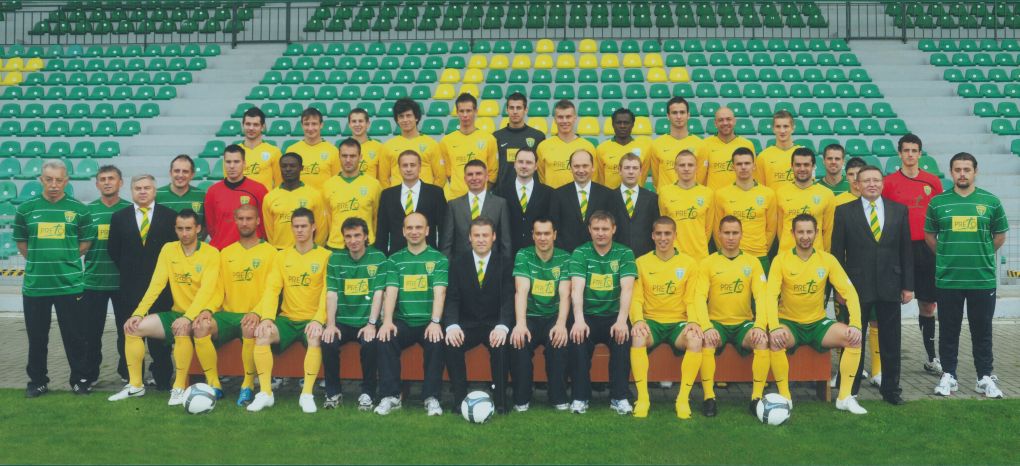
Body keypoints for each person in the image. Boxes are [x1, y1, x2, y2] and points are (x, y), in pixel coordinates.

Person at [107, 209, 222, 405]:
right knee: (132, 328)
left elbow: (206, 291)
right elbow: (156, 284)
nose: (184, 233)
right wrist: (138, 313)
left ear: (198, 229)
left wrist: (188, 317)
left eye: (188, 228)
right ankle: (135, 386)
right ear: (175, 229)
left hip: (203, 314)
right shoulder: (168, 249)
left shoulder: (211, 253)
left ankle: (178, 388)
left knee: (182, 329)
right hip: (177, 313)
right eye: (180, 229)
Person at [764, 213, 867, 414]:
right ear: (793, 233)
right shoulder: (780, 260)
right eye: (800, 232)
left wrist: (856, 324)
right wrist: (774, 327)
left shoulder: (827, 260)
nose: (805, 236)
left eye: (809, 232)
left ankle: (845, 397)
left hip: (818, 323)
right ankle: (785, 397)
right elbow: (770, 296)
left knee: (853, 338)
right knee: (776, 340)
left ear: (817, 233)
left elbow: (850, 292)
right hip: (790, 324)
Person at [925, 152, 1008, 399]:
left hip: (981, 279)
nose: (962, 174)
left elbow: (999, 236)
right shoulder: (938, 203)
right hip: (949, 279)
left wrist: (981, 254)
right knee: (948, 330)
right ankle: (949, 375)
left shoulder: (991, 201)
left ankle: (984, 377)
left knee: (982, 331)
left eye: (967, 169)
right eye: (957, 169)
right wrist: (947, 255)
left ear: (975, 171)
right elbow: (930, 235)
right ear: (951, 172)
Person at [831, 166, 913, 405]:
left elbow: (906, 250)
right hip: (856, 287)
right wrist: (839, 289)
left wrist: (908, 286)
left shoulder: (899, 210)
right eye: (866, 180)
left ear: (882, 183)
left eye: (876, 180)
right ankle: (850, 390)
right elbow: (837, 253)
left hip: (890, 284)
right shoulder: (844, 212)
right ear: (857, 184)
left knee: (891, 341)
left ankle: (891, 390)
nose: (872, 184)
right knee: (854, 339)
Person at [15, 160, 92, 397]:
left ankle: (79, 380)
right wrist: (39, 260)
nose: (54, 184)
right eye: (49, 179)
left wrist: (66, 258)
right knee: (37, 339)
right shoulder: (25, 209)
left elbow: (86, 242)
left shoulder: (79, 210)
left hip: (70, 285)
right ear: (41, 180)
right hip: (36, 286)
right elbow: (22, 243)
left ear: (66, 181)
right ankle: (38, 382)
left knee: (75, 337)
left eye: (59, 180)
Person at [246, 208, 332, 413]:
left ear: (313, 227)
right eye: (296, 226)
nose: (299, 230)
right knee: (262, 333)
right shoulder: (282, 256)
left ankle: (307, 394)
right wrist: (267, 318)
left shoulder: (326, 256)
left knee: (314, 337)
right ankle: (266, 393)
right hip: (287, 319)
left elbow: (327, 293)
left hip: (311, 319)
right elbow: (272, 289)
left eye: (304, 226)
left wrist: (318, 320)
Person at [695, 216, 772, 416]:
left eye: (735, 233)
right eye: (727, 233)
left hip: (743, 324)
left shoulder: (753, 263)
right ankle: (709, 398)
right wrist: (706, 327)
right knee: (706, 341)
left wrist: (759, 325)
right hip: (716, 323)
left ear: (741, 235)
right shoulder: (707, 263)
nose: (730, 237)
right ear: (719, 234)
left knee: (762, 340)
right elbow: (699, 297)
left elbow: (761, 296)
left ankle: (756, 399)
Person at [629, 217, 704, 419]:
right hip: (651, 322)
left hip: (678, 323)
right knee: (637, 337)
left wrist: (694, 321)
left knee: (696, 339)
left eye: (667, 233)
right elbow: (636, 299)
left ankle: (682, 399)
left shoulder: (689, 263)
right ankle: (643, 398)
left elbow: (691, 299)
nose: (663, 238)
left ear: (675, 235)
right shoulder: (641, 263)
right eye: (659, 233)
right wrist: (638, 320)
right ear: (652, 236)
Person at [109, 174, 178, 391]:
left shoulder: (169, 216)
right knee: (129, 333)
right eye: (138, 188)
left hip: (162, 290)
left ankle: (163, 378)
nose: (142, 191)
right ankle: (132, 379)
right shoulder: (119, 217)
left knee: (160, 338)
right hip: (129, 288)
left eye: (147, 188)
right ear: (131, 191)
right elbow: (114, 250)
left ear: (154, 191)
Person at [374, 213, 448, 416]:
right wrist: (387, 321)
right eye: (410, 228)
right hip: (404, 322)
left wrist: (435, 322)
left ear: (427, 231)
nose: (414, 232)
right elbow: (391, 292)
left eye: (419, 227)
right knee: (385, 337)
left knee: (436, 341)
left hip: (428, 322)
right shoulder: (394, 260)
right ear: (403, 231)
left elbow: (440, 292)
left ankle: (431, 398)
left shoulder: (439, 259)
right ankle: (391, 396)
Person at [884, 133, 944, 375]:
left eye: (914, 150)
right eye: (906, 150)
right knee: (891, 304)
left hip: (926, 249)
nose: (910, 154)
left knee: (928, 305)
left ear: (920, 154)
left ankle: (931, 357)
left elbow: (940, 215)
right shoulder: (888, 183)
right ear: (899, 153)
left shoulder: (932, 182)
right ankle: (888, 360)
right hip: (898, 249)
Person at [568, 211, 637, 415]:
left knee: (623, 339)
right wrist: (579, 321)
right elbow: (576, 289)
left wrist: (622, 321)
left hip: (614, 316)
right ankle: (580, 397)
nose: (600, 233)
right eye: (596, 229)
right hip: (587, 315)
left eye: (605, 229)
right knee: (577, 339)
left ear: (613, 229)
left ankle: (619, 397)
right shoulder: (580, 253)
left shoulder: (625, 253)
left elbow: (627, 289)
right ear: (589, 230)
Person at [444, 216, 513, 410]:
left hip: (494, 324)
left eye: (485, 235)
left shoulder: (505, 263)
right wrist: (452, 325)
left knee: (501, 346)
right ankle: (460, 400)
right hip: (467, 324)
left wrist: (502, 326)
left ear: (493, 237)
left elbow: (508, 299)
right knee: (451, 343)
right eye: (477, 235)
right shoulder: (458, 263)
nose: (481, 239)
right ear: (469, 237)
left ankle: (500, 402)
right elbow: (452, 298)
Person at [212, 204, 277, 407]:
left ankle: (247, 385)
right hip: (228, 314)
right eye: (240, 219)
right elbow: (218, 290)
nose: (245, 223)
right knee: (200, 326)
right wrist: (206, 311)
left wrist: (257, 312)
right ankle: (214, 384)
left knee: (249, 326)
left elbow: (272, 290)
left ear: (258, 221)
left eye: (249, 218)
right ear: (235, 221)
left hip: (254, 314)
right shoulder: (226, 253)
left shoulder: (271, 252)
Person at [321, 217, 388, 411]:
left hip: (367, 321)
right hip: (342, 321)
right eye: (348, 236)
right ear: (343, 238)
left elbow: (378, 293)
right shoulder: (335, 259)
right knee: (328, 341)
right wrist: (330, 325)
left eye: (357, 235)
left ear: (366, 236)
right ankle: (333, 393)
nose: (353, 240)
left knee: (370, 343)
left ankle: (368, 392)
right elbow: (332, 293)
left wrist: (372, 324)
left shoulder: (378, 258)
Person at [509, 218, 571, 411]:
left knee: (559, 342)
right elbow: (521, 290)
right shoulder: (523, 255)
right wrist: (520, 324)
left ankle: (558, 397)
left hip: (554, 315)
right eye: (539, 233)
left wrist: (561, 324)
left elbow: (565, 293)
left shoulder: (565, 258)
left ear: (554, 235)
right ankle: (522, 398)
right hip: (530, 316)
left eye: (547, 233)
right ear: (533, 235)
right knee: (519, 341)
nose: (543, 238)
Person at [82, 165, 131, 388]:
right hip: (94, 282)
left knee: (127, 331)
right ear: (97, 184)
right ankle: (89, 374)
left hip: (124, 283)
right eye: (103, 179)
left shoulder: (130, 210)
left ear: (121, 182)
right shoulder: (87, 212)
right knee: (91, 334)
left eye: (112, 178)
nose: (107, 182)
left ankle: (129, 372)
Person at [548, 150, 624, 252]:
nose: (581, 170)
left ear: (593, 167)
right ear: (570, 168)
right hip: (567, 255)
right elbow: (553, 228)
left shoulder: (607, 194)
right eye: (576, 166)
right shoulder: (558, 195)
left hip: (598, 254)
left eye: (585, 166)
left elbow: (614, 227)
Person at [714, 148, 776, 272]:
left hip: (759, 256)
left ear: (754, 166)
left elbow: (771, 228)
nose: (743, 167)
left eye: (747, 163)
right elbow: (717, 229)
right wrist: (727, 252)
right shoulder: (721, 195)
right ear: (733, 167)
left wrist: (762, 248)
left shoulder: (768, 194)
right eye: (739, 164)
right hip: (731, 257)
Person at [374, 150, 447, 255]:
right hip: (396, 257)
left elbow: (444, 229)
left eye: (412, 165)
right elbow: (382, 231)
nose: (408, 169)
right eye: (405, 165)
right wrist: (382, 258)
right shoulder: (387, 195)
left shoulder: (435, 193)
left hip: (429, 257)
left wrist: (442, 256)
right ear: (399, 168)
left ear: (420, 167)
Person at [440, 160, 512, 259]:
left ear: (486, 177)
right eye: (470, 174)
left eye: (478, 174)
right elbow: (446, 243)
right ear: (465, 179)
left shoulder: (500, 204)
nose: (474, 178)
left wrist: (505, 265)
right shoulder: (454, 205)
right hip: (461, 264)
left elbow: (505, 241)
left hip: (492, 263)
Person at [204, 144, 269, 249]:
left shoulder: (259, 190)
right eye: (228, 162)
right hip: (222, 250)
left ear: (244, 164)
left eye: (236, 162)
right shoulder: (213, 191)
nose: (232, 166)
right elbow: (211, 226)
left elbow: (264, 224)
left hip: (250, 250)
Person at [323, 138, 382, 249]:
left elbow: (376, 217)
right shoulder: (328, 185)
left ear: (360, 157)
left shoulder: (373, 185)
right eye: (344, 156)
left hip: (366, 246)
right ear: (339, 157)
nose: (348, 160)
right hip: (337, 246)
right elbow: (328, 218)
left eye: (353, 156)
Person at [262, 152, 329, 248]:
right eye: (284, 166)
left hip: (306, 251)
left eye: (292, 166)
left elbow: (321, 228)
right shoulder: (269, 197)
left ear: (301, 168)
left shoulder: (314, 195)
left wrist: (315, 250)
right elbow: (269, 230)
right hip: (279, 251)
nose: (288, 169)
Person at [439, 93, 498, 201]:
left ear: (476, 111)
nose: (465, 115)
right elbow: (448, 173)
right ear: (457, 112)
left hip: (481, 198)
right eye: (461, 111)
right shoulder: (446, 141)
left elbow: (492, 172)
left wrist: (479, 191)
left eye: (469, 111)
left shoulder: (489, 139)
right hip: (455, 198)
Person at [658, 150, 714, 261]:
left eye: (690, 165)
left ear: (696, 168)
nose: (686, 168)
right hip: (673, 256)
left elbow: (708, 228)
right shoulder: (664, 192)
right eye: (682, 165)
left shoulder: (707, 193)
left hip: (699, 256)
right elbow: (664, 224)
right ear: (675, 168)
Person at [495, 147, 553, 254]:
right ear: (514, 164)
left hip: (537, 254)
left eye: (529, 163)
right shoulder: (500, 192)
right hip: (508, 254)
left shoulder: (548, 194)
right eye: (520, 162)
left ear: (536, 166)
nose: (524, 166)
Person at [775, 148, 835, 252]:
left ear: (813, 166)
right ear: (792, 166)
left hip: (815, 255)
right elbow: (779, 229)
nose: (802, 169)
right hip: (786, 254)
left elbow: (828, 231)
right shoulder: (780, 193)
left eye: (806, 165)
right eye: (798, 165)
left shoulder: (827, 194)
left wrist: (823, 254)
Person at [382, 98, 444, 187]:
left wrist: (431, 193)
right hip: (398, 194)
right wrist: (392, 194)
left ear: (416, 118)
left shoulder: (431, 144)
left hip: (425, 194)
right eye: (401, 116)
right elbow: (383, 178)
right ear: (397, 120)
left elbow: (440, 177)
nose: (405, 120)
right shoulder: (388, 146)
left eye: (408, 115)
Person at [536, 100, 597, 188]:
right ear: (555, 119)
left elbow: (593, 178)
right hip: (551, 195)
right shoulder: (543, 146)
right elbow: (541, 177)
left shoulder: (588, 147)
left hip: (579, 196)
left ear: (575, 118)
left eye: (568, 117)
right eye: (560, 117)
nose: (564, 121)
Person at [493, 92, 545, 190]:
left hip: (530, 191)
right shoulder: (496, 136)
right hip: (503, 191)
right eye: (511, 108)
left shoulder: (538, 136)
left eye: (519, 108)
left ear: (526, 110)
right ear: (507, 110)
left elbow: (541, 168)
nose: (515, 111)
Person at [696, 106, 756, 191]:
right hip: (714, 197)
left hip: (739, 196)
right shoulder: (704, 145)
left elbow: (753, 175)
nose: (725, 123)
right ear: (715, 123)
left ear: (734, 121)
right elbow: (700, 176)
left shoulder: (747, 145)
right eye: (721, 120)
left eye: (728, 119)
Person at [649, 97, 702, 190]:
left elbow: (701, 178)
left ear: (688, 115)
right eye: (674, 113)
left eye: (682, 112)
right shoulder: (657, 144)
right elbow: (656, 178)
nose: (679, 116)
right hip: (665, 197)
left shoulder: (700, 144)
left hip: (691, 196)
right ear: (668, 116)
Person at [613, 153, 659, 257]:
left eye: (635, 168)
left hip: (645, 256)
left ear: (641, 171)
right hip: (617, 256)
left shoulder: (652, 198)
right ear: (620, 170)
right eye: (627, 168)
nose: (631, 172)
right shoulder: (609, 197)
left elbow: (656, 228)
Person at [283, 107, 341, 191]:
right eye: (306, 124)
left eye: (314, 124)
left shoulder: (333, 151)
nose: (310, 128)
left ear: (321, 125)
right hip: (299, 198)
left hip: (323, 199)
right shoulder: (292, 150)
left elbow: (337, 182)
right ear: (302, 125)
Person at [595, 108, 653, 189]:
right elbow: (600, 178)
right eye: (619, 123)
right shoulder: (601, 148)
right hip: (610, 195)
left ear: (632, 125)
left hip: (635, 195)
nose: (622, 126)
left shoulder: (643, 148)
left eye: (626, 123)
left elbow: (643, 176)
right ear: (613, 124)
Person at [237, 106, 282, 191]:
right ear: (243, 125)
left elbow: (279, 184)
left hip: (264, 199)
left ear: (263, 127)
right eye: (248, 124)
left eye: (256, 125)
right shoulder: (233, 153)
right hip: (240, 199)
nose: (251, 128)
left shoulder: (274, 151)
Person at [754, 110, 800, 191]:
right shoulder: (763, 156)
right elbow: (759, 189)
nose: (782, 131)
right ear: (773, 129)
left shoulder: (803, 155)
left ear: (793, 128)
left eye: (786, 126)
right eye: (778, 126)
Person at [156, 154, 206, 226]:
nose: (180, 175)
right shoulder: (156, 195)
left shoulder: (202, 196)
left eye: (185, 171)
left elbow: (206, 226)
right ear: (170, 173)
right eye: (177, 171)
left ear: (192, 175)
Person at [346, 107, 388, 185]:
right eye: (354, 121)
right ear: (349, 124)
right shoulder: (343, 148)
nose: (357, 124)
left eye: (360, 121)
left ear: (368, 124)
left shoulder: (379, 147)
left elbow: (383, 178)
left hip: (372, 191)